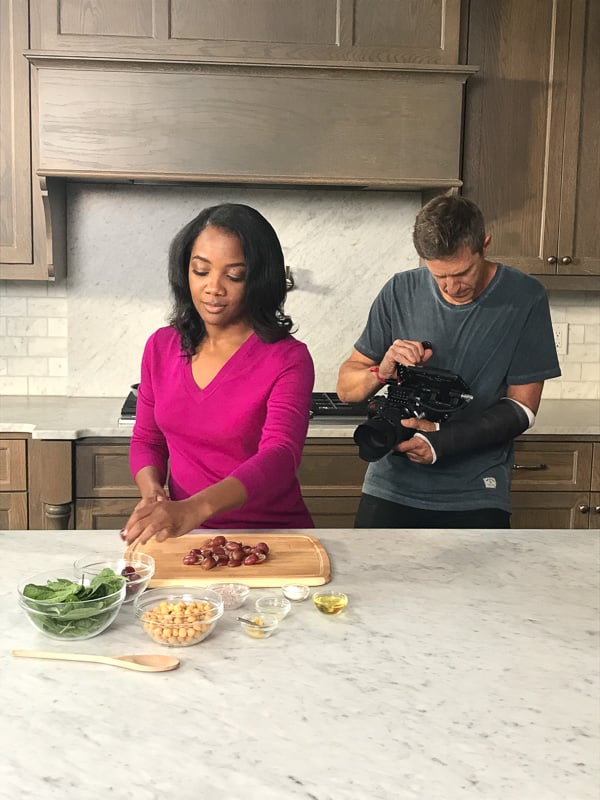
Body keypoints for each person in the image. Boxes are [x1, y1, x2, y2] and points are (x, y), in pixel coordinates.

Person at [337, 195, 561, 529]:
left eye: (462, 272)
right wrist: (381, 371)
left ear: (484, 245)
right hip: (391, 486)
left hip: (476, 490)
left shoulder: (525, 297)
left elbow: (523, 408)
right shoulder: (399, 290)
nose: (451, 287)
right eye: (439, 276)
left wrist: (441, 440)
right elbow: (346, 389)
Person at [122, 203, 315, 546]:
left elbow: (281, 455)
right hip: (188, 537)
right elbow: (148, 440)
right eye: (201, 271)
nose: (214, 288)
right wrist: (153, 494)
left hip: (270, 539)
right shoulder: (161, 347)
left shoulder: (288, 358)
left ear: (258, 279)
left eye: (234, 275)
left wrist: (194, 509)